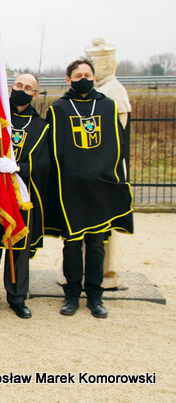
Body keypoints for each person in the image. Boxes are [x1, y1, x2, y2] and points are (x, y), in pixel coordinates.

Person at [45, 59, 133, 318]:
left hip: (99, 188)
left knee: (96, 244)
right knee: (72, 244)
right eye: (77, 75)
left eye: (87, 74)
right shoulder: (59, 109)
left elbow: (117, 146)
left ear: (94, 77)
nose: (83, 79)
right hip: (70, 189)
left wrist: (104, 173)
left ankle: (95, 296)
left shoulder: (107, 106)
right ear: (68, 79)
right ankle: (72, 295)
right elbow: (53, 149)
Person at [0, 73, 49, 319]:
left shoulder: (41, 126)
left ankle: (17, 298)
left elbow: (45, 164)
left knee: (18, 250)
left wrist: (19, 167)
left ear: (35, 95)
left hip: (22, 195)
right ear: (11, 87)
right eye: (18, 85)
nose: (22, 90)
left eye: (28, 88)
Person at [86, 38, 132, 290]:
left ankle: (107, 270)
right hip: (88, 169)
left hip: (107, 167)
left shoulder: (114, 90)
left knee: (106, 224)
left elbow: (116, 135)